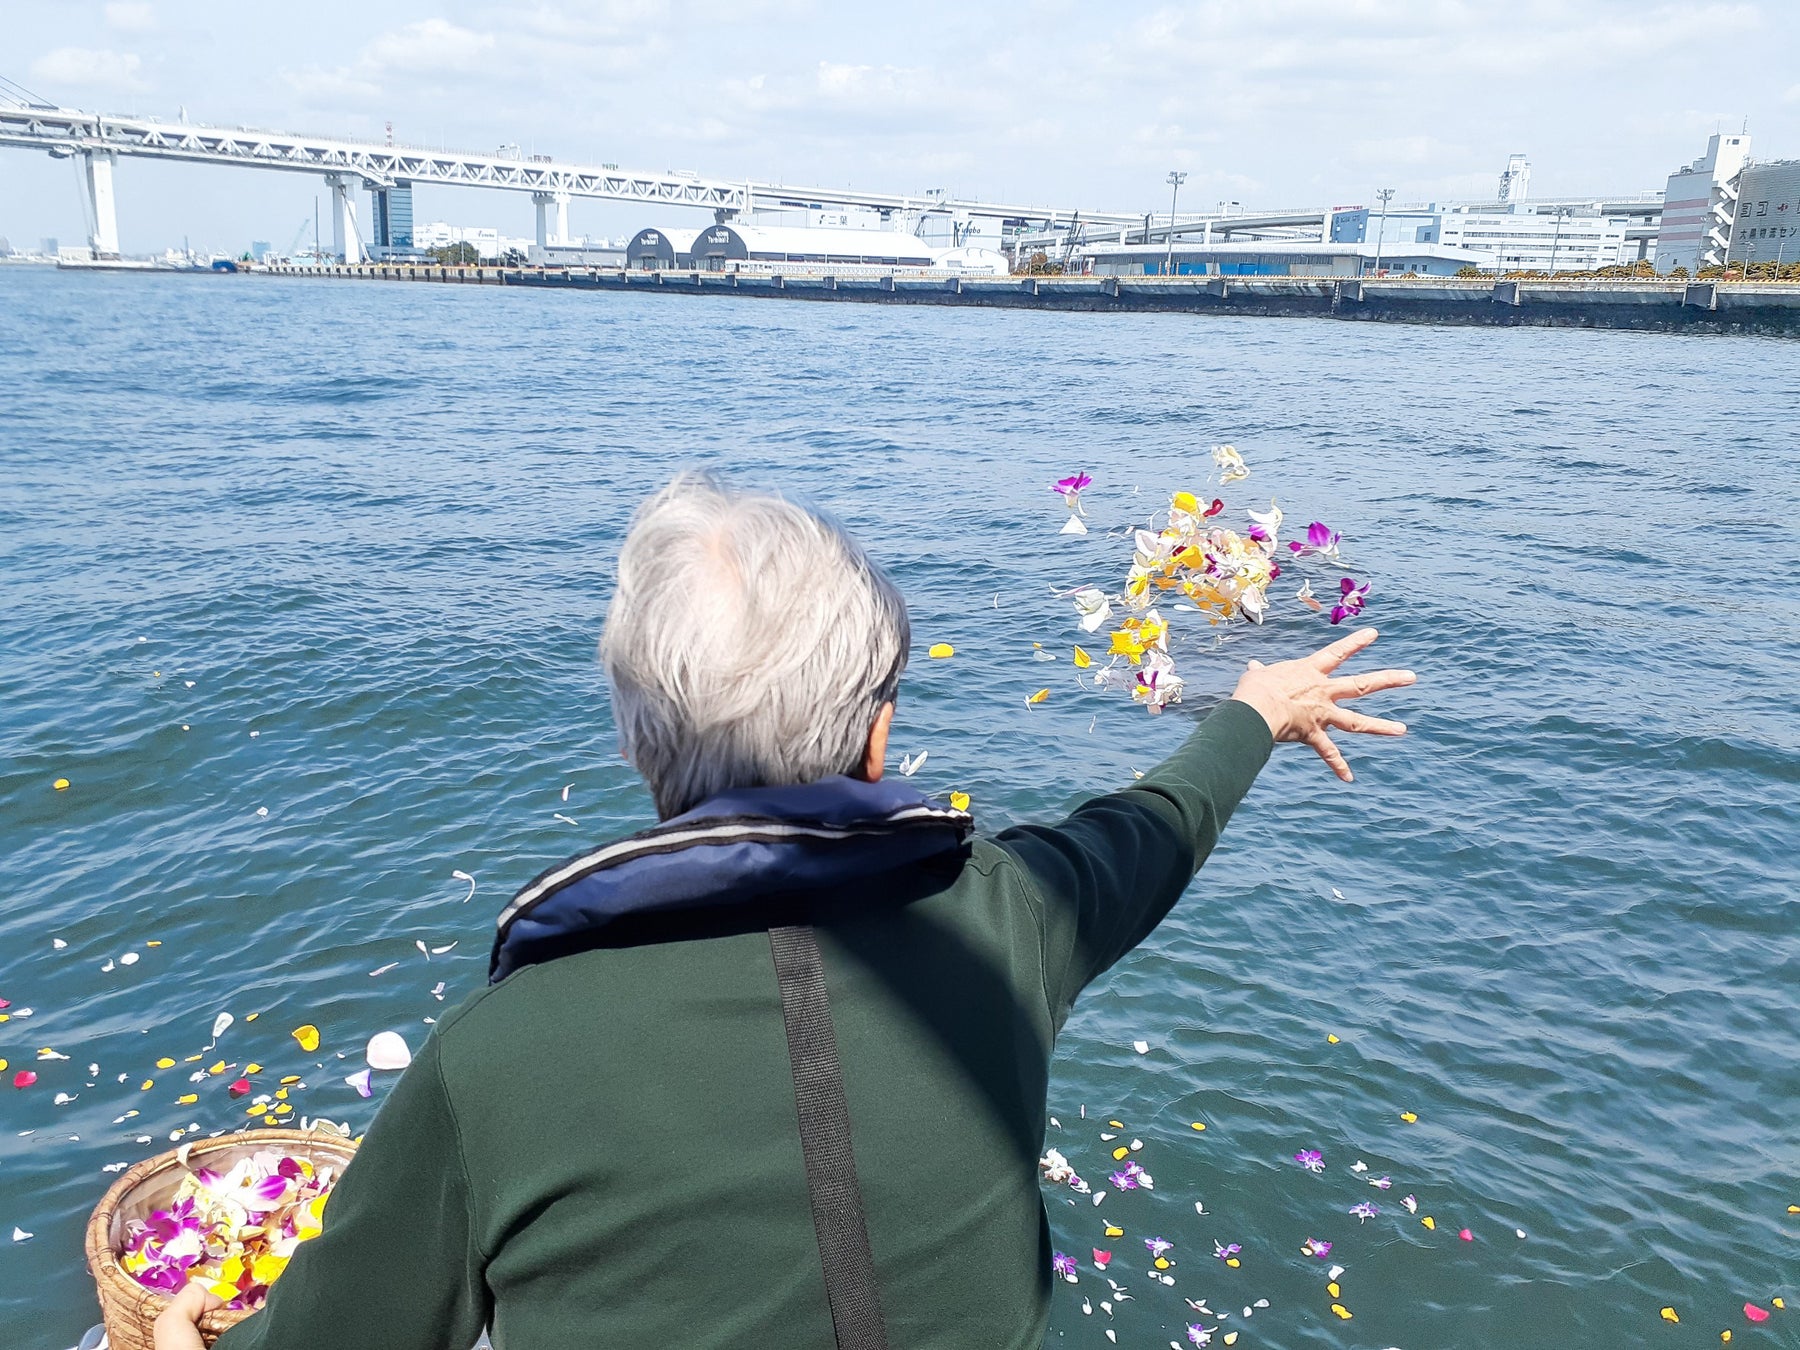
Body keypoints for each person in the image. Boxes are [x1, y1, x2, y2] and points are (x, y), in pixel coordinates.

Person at [157, 473, 1413, 1350]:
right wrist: (1256, 710)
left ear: (642, 750)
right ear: (878, 734)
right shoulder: (1014, 921)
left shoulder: (496, 1059)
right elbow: (1152, 829)